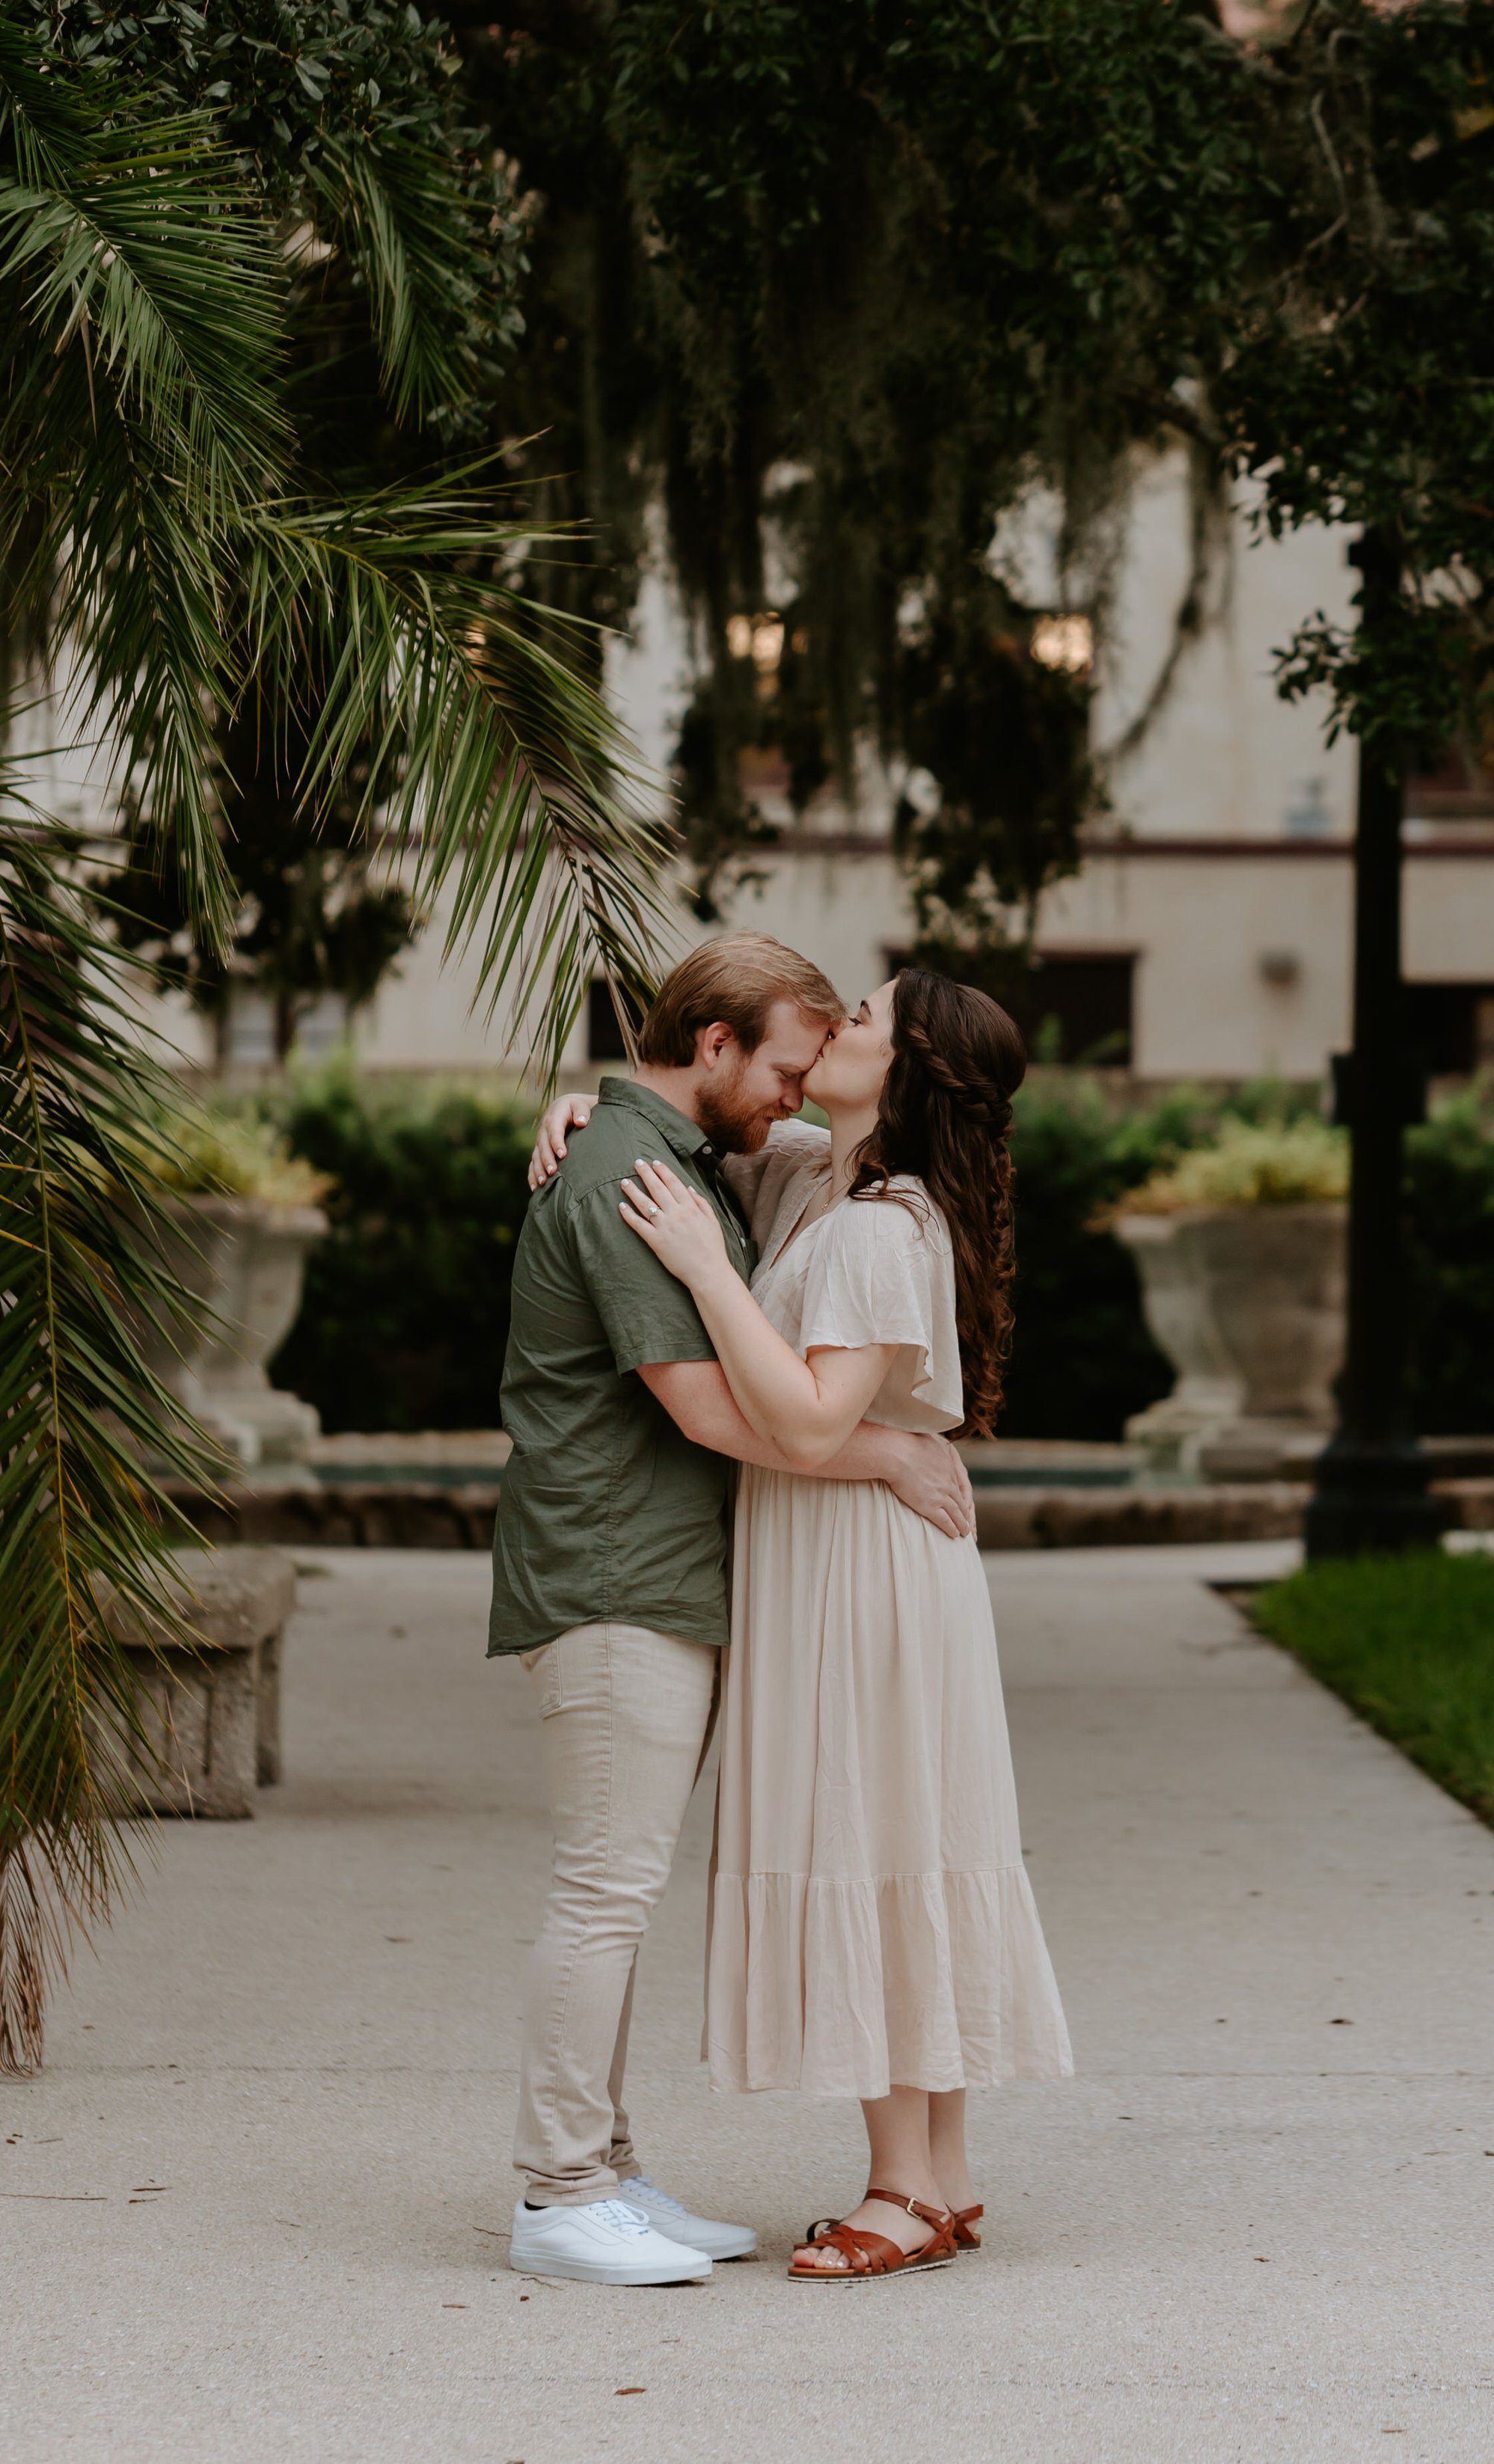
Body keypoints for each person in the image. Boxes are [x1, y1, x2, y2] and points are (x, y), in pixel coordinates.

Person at [492, 935, 978, 2290]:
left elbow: (876, 1147)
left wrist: (588, 1091)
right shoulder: (632, 1174)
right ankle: (557, 2192)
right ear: (712, 1045)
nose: (802, 1085)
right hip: (609, 1576)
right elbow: (709, 1406)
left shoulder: (709, 1164)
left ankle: (606, 2171)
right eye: (782, 1060)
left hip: (666, 1575)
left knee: (620, 1886)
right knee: (604, 1887)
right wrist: (886, 1452)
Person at [613, 966, 1073, 2281]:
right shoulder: (830, 1180)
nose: (827, 1031)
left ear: (908, 1069)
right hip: (863, 1552)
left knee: (871, 1833)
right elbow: (685, 1117)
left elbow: (810, 1421)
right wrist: (575, 1114)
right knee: (908, 1831)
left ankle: (900, 2188)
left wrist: (706, 1270)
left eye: (858, 1020)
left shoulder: (880, 1225)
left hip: (856, 1567)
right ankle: (946, 2176)